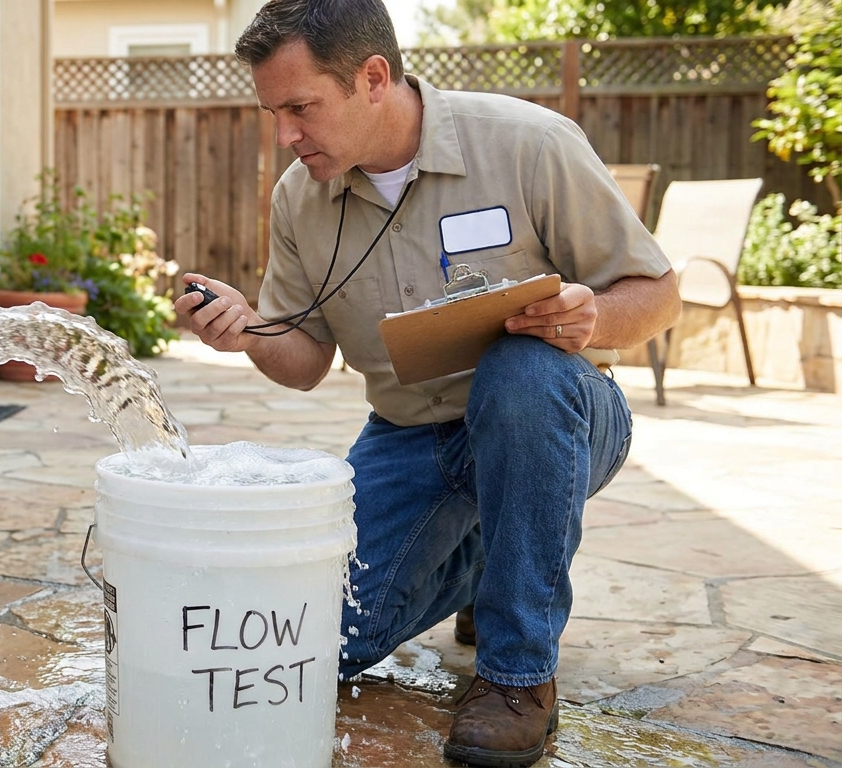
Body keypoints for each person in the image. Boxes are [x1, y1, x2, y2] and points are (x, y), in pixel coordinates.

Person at [173, 1, 681, 765]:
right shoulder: (297, 197)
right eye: (273, 112)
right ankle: (492, 558)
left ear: (373, 77)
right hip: (409, 435)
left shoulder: (528, 143)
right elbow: (305, 361)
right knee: (318, 643)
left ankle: (517, 678)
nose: (285, 135)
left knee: (521, 373)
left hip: (557, 414)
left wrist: (593, 318)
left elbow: (658, 292)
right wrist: (247, 329)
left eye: (301, 108)